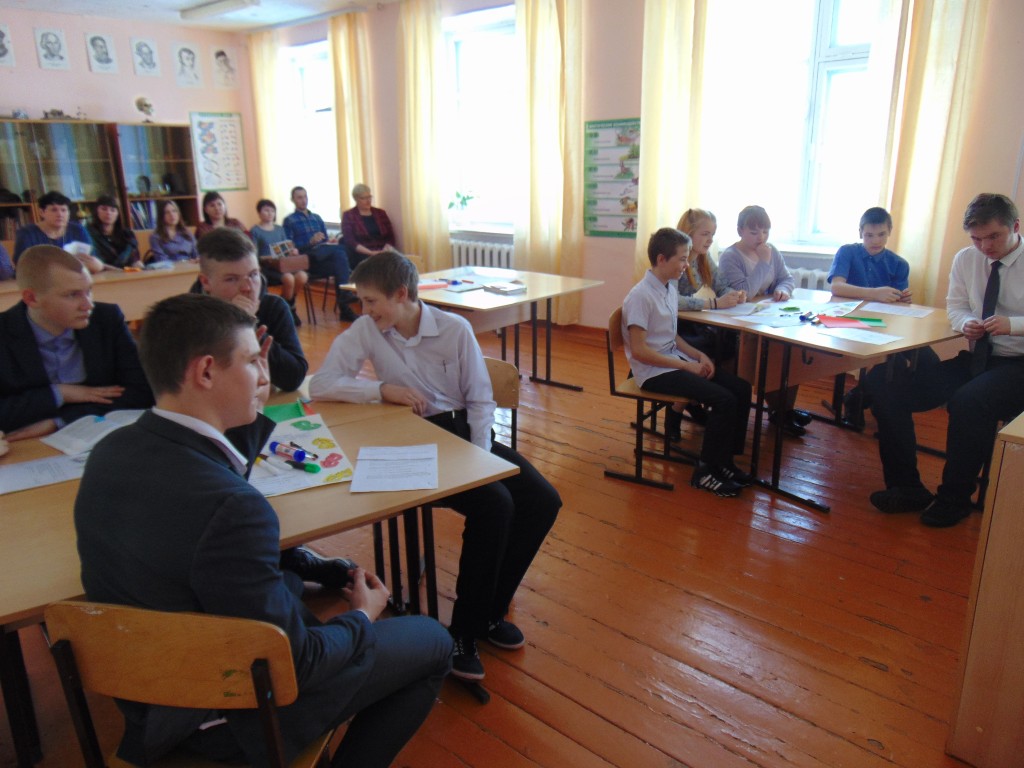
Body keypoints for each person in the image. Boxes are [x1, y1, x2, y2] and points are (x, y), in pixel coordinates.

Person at [74, 292, 452, 767]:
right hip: (227, 714)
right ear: (206, 371)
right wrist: (362, 615)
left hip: (147, 697)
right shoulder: (234, 508)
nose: (262, 374)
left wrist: (252, 388)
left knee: (291, 583)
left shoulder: (110, 451)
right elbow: (299, 664)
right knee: (432, 640)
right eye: (253, 360)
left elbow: (212, 480)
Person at [310, 251, 562, 680]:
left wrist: (480, 458)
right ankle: (463, 632)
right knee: (496, 505)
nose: (364, 310)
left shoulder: (453, 329)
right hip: (410, 438)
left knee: (543, 501)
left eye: (371, 301)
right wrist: (380, 389)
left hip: (463, 434)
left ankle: (489, 612)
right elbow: (322, 383)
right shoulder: (368, 330)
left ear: (401, 294)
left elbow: (480, 400)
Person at [866, 193, 1024, 527]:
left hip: (1018, 363)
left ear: (1015, 227)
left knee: (969, 401)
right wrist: (965, 322)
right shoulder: (966, 259)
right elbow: (956, 305)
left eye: (993, 236)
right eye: (976, 238)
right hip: (979, 358)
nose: (985, 246)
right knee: (883, 381)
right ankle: (907, 487)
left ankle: (955, 499)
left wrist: (1013, 325)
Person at [622, 228, 753, 497]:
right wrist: (687, 366)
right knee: (723, 400)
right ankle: (705, 472)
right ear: (661, 259)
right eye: (682, 259)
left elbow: (671, 336)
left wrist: (698, 356)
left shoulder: (668, 288)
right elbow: (639, 351)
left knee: (741, 389)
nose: (686, 265)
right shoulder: (640, 296)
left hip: (673, 361)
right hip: (653, 372)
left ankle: (724, 462)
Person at [0, 245, 152, 439]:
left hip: (94, 439)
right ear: (32, 298)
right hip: (23, 445)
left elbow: (142, 392)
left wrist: (60, 421)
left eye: (89, 291)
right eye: (72, 295)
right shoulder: (4, 333)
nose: (88, 305)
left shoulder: (106, 319)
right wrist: (59, 393)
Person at [827, 206, 938, 428]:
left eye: (881, 235)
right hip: (849, 320)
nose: (875, 241)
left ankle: (864, 397)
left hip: (885, 323)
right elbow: (837, 287)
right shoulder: (847, 252)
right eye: (869, 235)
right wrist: (875, 293)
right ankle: (862, 400)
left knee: (928, 361)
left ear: (890, 232)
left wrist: (902, 300)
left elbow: (896, 302)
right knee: (893, 362)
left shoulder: (899, 264)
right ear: (860, 232)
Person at [718, 205, 811, 437]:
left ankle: (783, 410)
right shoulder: (730, 257)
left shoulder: (772, 251)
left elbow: (787, 279)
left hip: (767, 316)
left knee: (788, 351)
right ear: (740, 231)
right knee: (766, 356)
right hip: (740, 323)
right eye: (754, 232)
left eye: (765, 231)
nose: (761, 237)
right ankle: (778, 409)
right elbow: (745, 292)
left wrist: (783, 290)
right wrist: (763, 262)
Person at [195, 228, 308, 392]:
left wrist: (249, 326)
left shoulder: (273, 307)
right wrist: (233, 327)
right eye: (232, 279)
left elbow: (294, 378)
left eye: (253, 275)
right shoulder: (189, 317)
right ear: (206, 282)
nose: (247, 288)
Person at [672, 208, 746, 429]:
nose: (710, 240)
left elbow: (722, 284)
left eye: (712, 234)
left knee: (725, 344)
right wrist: (713, 303)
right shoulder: (676, 258)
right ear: (688, 234)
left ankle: (696, 400)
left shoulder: (702, 258)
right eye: (705, 234)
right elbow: (672, 300)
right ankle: (678, 408)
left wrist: (734, 294)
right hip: (670, 326)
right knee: (708, 347)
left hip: (687, 322)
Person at [284, 185, 357, 321]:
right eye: (299, 198)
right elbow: (290, 249)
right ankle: (346, 298)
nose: (303, 200)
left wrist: (330, 241)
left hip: (323, 256)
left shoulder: (316, 218)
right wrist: (310, 242)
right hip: (307, 259)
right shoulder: (289, 221)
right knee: (341, 252)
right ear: (293, 200)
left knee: (339, 260)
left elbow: (325, 240)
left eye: (305, 197)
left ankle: (345, 309)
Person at [14, 191, 102, 273]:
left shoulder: (78, 229)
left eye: (63, 210)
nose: (60, 214)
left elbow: (92, 260)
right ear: (41, 212)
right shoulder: (27, 233)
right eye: (54, 210)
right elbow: (22, 265)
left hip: (75, 276)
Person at [251, 198, 308, 326]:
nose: (269, 213)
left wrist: (292, 251)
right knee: (289, 279)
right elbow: (254, 254)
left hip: (284, 264)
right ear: (259, 213)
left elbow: (286, 247)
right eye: (266, 210)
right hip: (268, 266)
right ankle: (289, 310)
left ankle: (288, 306)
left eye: (272, 211)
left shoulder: (279, 229)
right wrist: (268, 257)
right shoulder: (255, 230)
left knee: (302, 276)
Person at [341, 183, 396, 269]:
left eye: (369, 197)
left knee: (398, 264)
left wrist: (386, 249)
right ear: (356, 199)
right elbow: (350, 241)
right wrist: (370, 253)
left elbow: (390, 236)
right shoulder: (349, 215)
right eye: (364, 198)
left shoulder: (380, 213)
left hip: (383, 251)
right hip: (362, 253)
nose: (368, 201)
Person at [86, 195, 139, 268]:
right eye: (104, 209)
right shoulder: (89, 234)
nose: (108, 213)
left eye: (113, 210)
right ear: (96, 211)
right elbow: (95, 260)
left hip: (128, 272)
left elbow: (135, 259)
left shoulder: (127, 234)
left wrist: (137, 264)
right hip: (103, 272)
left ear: (118, 214)